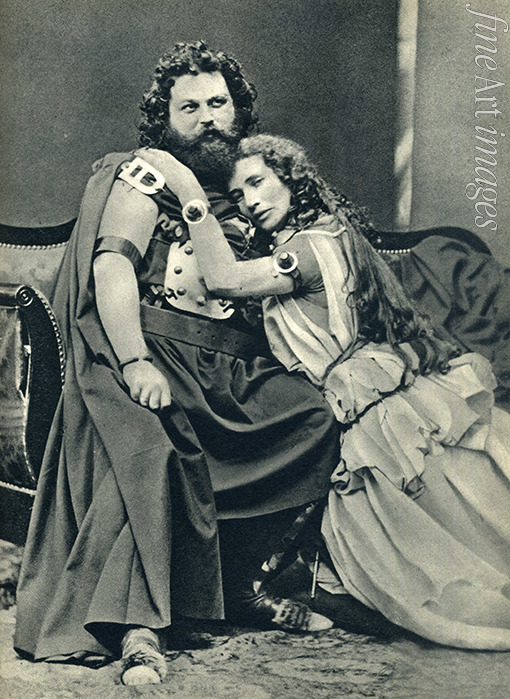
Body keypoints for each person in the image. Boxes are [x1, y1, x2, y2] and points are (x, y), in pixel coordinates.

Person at [13, 44, 340, 685]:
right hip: (154, 351)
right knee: (150, 452)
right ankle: (140, 629)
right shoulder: (147, 176)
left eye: (218, 103)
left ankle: (239, 583)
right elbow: (112, 267)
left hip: (232, 364)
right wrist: (135, 360)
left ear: (239, 111)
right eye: (189, 107)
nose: (207, 117)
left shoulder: (254, 184)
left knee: (314, 420)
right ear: (164, 119)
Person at [139, 133, 510, 650]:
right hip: (357, 385)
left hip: (361, 398)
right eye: (239, 194)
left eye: (258, 183)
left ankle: (243, 584)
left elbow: (225, 281)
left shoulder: (307, 249)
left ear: (292, 179)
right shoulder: (326, 232)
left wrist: (187, 191)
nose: (250, 201)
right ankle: (261, 582)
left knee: (430, 562)